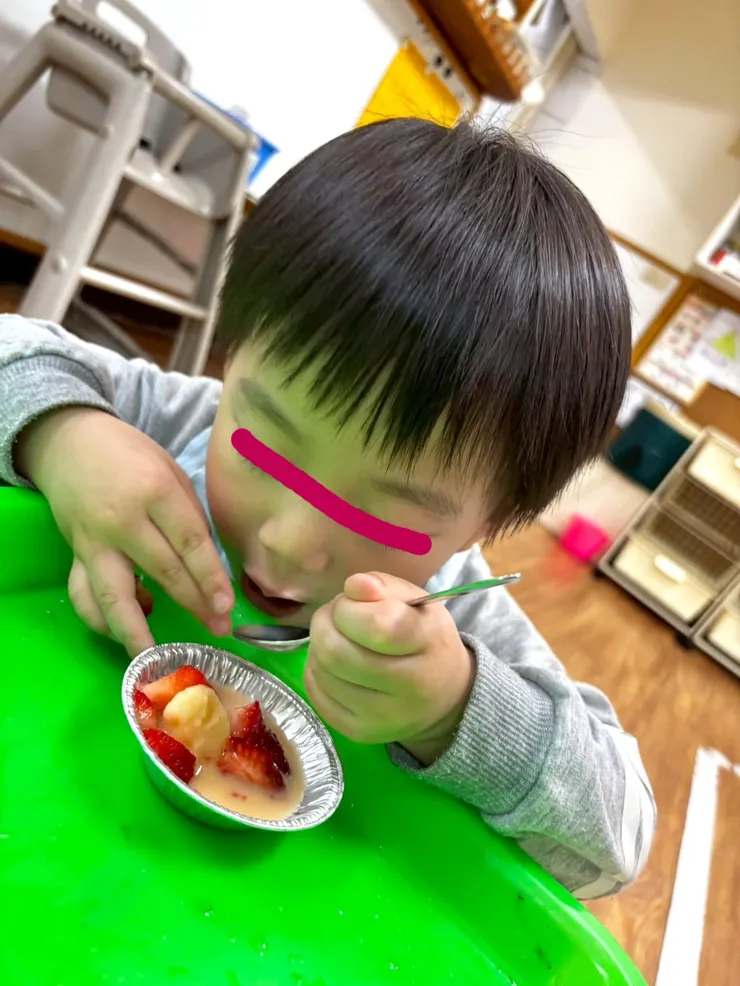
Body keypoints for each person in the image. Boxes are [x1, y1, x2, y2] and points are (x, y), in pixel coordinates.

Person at [0, 118, 655, 899]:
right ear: (231, 355)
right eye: (265, 450)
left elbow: (619, 843)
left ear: (483, 526)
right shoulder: (179, 422)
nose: (291, 542)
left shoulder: (456, 617)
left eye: (385, 515)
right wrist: (64, 433)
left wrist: (453, 710)